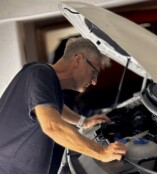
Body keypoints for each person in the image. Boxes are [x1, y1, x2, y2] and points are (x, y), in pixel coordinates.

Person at [0, 37, 127, 174]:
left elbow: (54, 107)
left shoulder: (46, 79)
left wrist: (83, 122)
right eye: (94, 72)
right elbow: (52, 126)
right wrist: (101, 152)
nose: (95, 81)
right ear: (78, 60)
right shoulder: (40, 74)